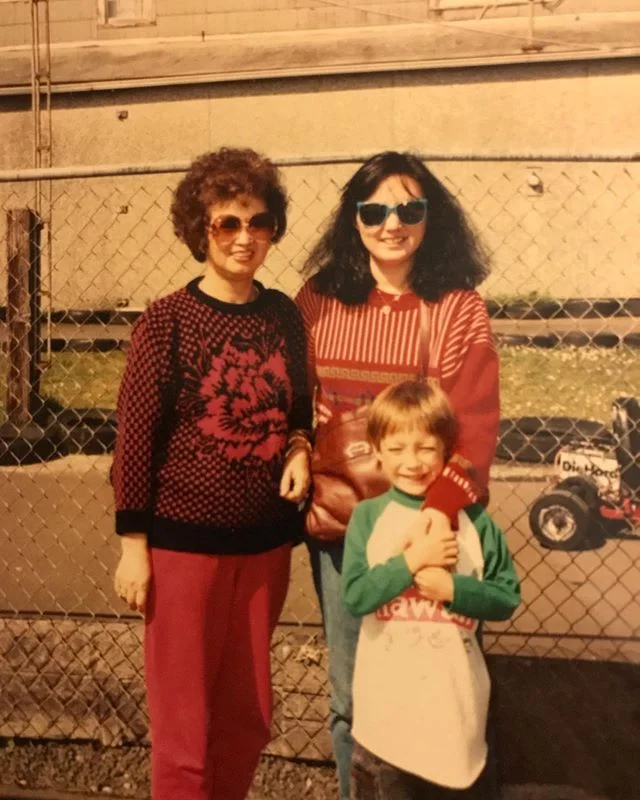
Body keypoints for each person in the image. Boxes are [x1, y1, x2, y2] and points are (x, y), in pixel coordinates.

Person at [296, 150, 500, 798]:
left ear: (430, 218)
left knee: (441, 690)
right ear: (352, 220)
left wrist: (432, 522)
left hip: (433, 527)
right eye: (374, 209)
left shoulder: (459, 308)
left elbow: (474, 428)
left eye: (409, 209)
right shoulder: (318, 301)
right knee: (354, 694)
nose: (392, 223)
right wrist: (300, 445)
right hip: (345, 529)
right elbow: (292, 402)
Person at [111, 148, 313, 800]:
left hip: (263, 550)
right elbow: (136, 440)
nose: (244, 237)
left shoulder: (283, 315)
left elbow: (300, 408)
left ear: (274, 228)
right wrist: (133, 547)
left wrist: (302, 447)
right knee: (184, 726)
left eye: (258, 222)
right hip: (181, 551)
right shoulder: (166, 321)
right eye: (228, 223)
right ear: (201, 230)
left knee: (247, 716)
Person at [342, 379, 521, 799]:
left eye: (425, 448)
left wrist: (452, 588)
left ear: (446, 449)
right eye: (398, 448)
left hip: (455, 717)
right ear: (377, 451)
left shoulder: (476, 522)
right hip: (386, 722)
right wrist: (410, 561)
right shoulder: (368, 518)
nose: (412, 461)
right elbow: (355, 596)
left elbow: (506, 596)